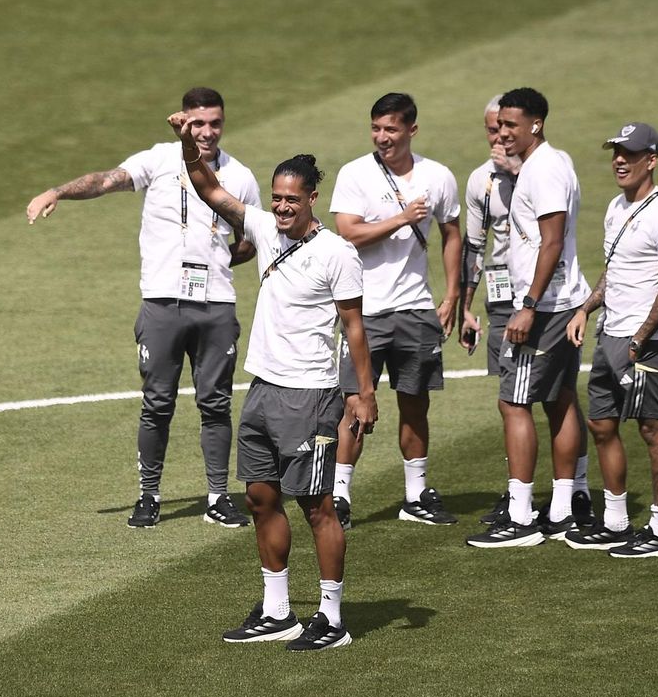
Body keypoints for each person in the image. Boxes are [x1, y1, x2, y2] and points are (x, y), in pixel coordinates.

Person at [168, 111, 378, 652]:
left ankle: (331, 618)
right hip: (261, 390)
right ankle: (278, 609)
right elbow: (209, 187)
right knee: (261, 498)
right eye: (276, 197)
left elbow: (354, 327)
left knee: (316, 506)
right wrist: (190, 146)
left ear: (311, 198)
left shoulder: (337, 253)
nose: (282, 207)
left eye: (292, 199)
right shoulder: (262, 227)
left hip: (309, 395)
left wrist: (363, 393)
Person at [26, 88, 262, 530]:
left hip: (215, 305)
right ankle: (149, 496)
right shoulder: (157, 160)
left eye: (215, 123)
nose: (207, 132)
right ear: (184, 121)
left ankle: (216, 496)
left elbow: (251, 238)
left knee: (216, 404)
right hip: (162, 302)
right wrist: (56, 191)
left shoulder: (241, 176)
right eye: (198, 123)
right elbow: (106, 180)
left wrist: (228, 259)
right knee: (157, 404)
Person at [457, 96, 594, 530]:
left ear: (536, 124)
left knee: (514, 402)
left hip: (544, 305)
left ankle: (520, 516)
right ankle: (563, 506)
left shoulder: (544, 168)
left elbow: (551, 242)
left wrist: (529, 306)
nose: (503, 133)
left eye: (512, 125)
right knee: (559, 398)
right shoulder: (542, 164)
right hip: (553, 301)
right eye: (498, 126)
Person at [328, 92, 461, 530]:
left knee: (415, 403)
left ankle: (416, 493)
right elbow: (346, 232)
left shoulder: (438, 175)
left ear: (411, 130)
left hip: (416, 308)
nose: (382, 137)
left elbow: (451, 233)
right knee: (354, 406)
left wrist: (452, 296)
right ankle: (340, 497)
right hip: (363, 311)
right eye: (376, 129)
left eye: (391, 129)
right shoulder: (355, 174)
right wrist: (401, 219)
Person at [565, 123, 658, 558]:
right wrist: (585, 308)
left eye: (629, 153)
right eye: (616, 151)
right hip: (610, 336)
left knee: (654, 431)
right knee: (601, 425)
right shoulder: (617, 207)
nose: (619, 159)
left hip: (644, 343)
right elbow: (614, 272)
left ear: (651, 160)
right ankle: (615, 522)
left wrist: (639, 339)